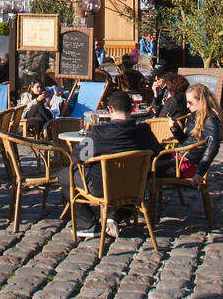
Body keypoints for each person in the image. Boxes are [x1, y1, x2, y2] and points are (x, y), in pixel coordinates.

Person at [67, 90, 162, 238]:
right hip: (135, 186)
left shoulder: (98, 132)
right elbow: (158, 153)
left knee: (65, 175)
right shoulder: (144, 131)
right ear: (132, 109)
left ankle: (88, 224)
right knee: (131, 186)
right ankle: (113, 217)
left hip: (102, 187)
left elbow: (76, 157)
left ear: (110, 109)